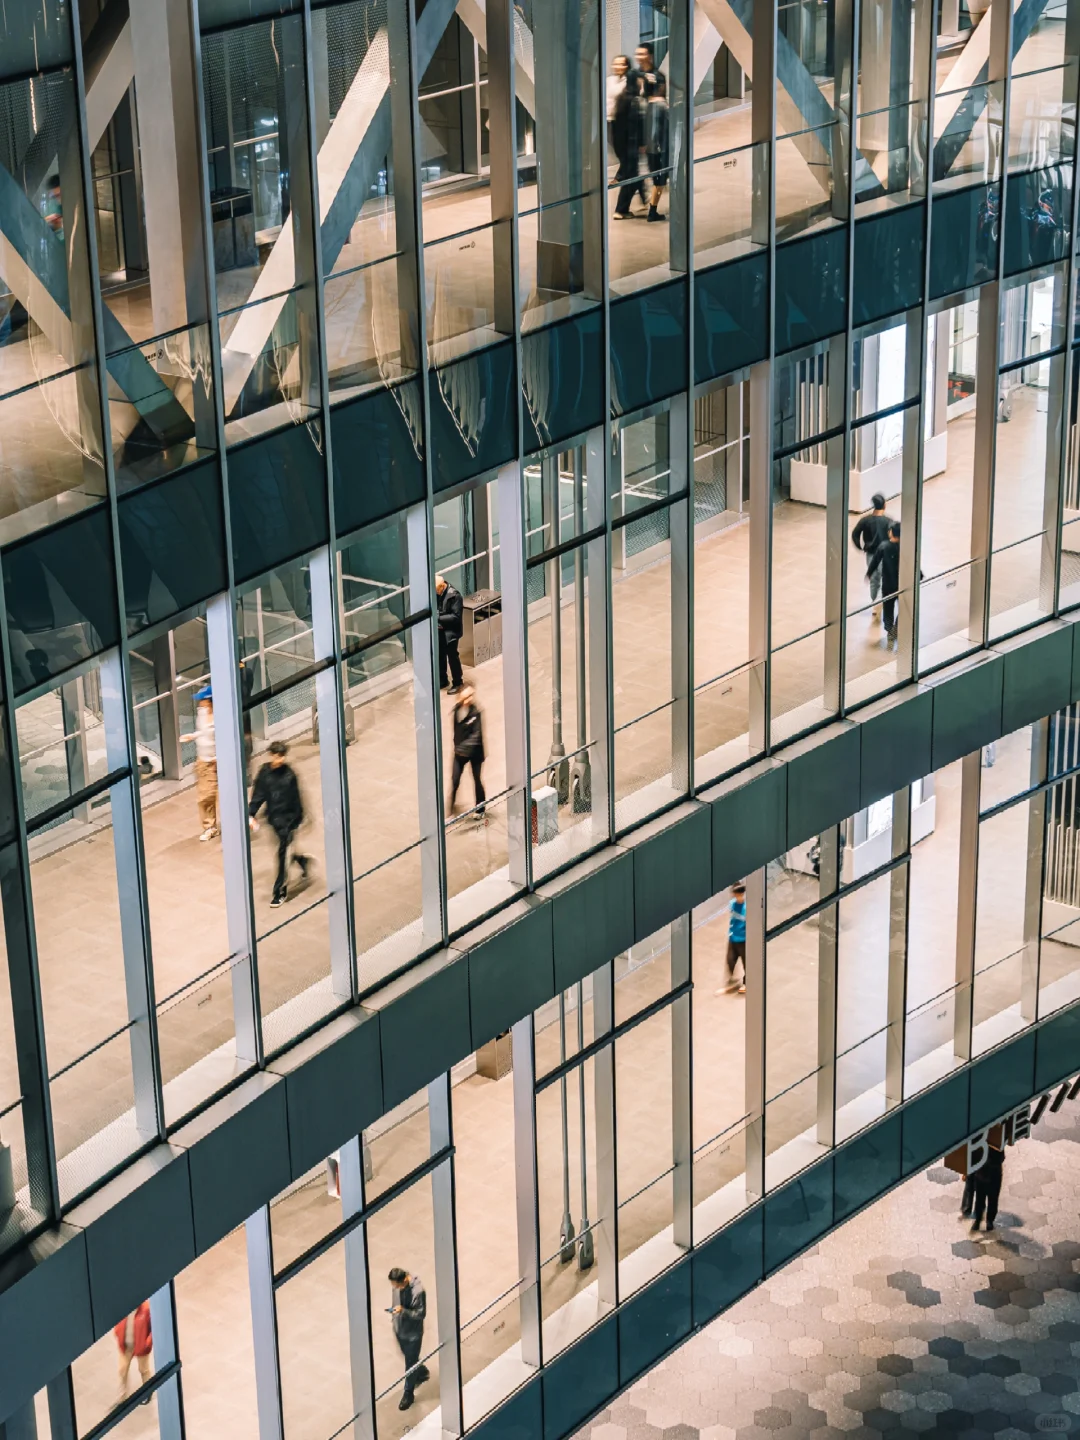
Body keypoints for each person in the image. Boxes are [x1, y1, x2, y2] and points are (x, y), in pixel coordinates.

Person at [248, 740, 312, 908]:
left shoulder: (290, 775)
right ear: (271, 755)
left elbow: (297, 799)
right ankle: (302, 861)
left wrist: (296, 821)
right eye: (277, 756)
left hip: (288, 821)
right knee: (286, 851)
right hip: (274, 819)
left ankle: (279, 891)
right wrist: (251, 813)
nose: (279, 760)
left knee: (282, 856)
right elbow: (258, 795)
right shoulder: (264, 773)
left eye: (282, 756)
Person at [389, 1268, 429, 1410]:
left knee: (410, 1364)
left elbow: (420, 1314)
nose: (395, 1288)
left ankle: (408, 1393)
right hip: (400, 1329)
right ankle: (421, 1370)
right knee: (409, 1358)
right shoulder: (397, 1286)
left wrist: (403, 1311)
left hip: (413, 1335)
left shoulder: (418, 1291)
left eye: (397, 1285)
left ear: (404, 1280)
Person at [610, 58, 646, 219]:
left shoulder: (622, 98)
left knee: (635, 173)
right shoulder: (634, 101)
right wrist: (642, 143)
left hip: (622, 143)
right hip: (630, 144)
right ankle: (621, 210)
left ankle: (644, 198)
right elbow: (636, 125)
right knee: (632, 175)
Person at [181, 687, 218, 841]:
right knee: (205, 796)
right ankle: (210, 827)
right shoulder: (202, 713)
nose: (199, 703)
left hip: (219, 760)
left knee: (227, 794)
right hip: (204, 760)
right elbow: (202, 732)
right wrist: (192, 736)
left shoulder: (221, 714)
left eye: (202, 700)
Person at [851, 493, 894, 620]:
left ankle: (875, 603)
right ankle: (880, 602)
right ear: (884, 505)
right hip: (885, 555)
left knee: (874, 580)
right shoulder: (888, 521)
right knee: (886, 579)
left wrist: (860, 547)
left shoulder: (865, 520)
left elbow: (855, 534)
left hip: (870, 554)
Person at [448, 684, 486, 817]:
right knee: (454, 779)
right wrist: (456, 746)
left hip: (474, 753)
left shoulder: (476, 712)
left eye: (471, 695)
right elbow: (456, 731)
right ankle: (450, 810)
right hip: (459, 753)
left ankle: (480, 809)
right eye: (466, 696)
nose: (469, 699)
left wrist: (461, 748)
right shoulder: (456, 711)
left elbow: (477, 735)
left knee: (477, 779)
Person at [866, 520, 902, 645]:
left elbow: (875, 561)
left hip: (888, 584)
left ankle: (889, 630)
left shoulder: (884, 546)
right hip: (902, 584)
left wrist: (869, 573)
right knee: (904, 607)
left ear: (891, 533)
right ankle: (897, 627)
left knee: (888, 608)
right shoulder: (905, 547)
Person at [643, 70, 670, 223]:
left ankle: (652, 208)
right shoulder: (662, 106)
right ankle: (652, 211)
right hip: (660, 149)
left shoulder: (646, 103)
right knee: (659, 182)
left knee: (657, 181)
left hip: (651, 149)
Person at [113, 1302, 152, 1403]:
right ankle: (122, 1396)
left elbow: (153, 1327)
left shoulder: (146, 1309)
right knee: (122, 1370)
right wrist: (117, 1333)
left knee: (144, 1370)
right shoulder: (122, 1309)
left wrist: (147, 1343)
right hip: (126, 1346)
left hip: (141, 1346)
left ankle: (148, 1392)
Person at [435, 573, 464, 693]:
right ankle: (443, 679)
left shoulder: (455, 596)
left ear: (442, 586)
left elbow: (455, 617)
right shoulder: (437, 594)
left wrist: (438, 617)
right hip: (440, 630)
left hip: (451, 632)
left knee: (452, 657)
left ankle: (458, 682)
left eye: (436, 590)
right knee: (440, 656)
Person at [970, 1138, 1005, 1232]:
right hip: (982, 1174)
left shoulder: (996, 1142)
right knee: (980, 1200)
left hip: (993, 1174)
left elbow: (1001, 1157)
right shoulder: (980, 1142)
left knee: (992, 1199)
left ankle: (989, 1221)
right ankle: (978, 1220)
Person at [727, 881, 747, 995]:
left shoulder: (746, 908)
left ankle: (747, 983)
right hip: (733, 937)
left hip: (743, 939)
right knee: (730, 959)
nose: (737, 896)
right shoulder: (732, 904)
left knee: (746, 963)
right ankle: (732, 979)